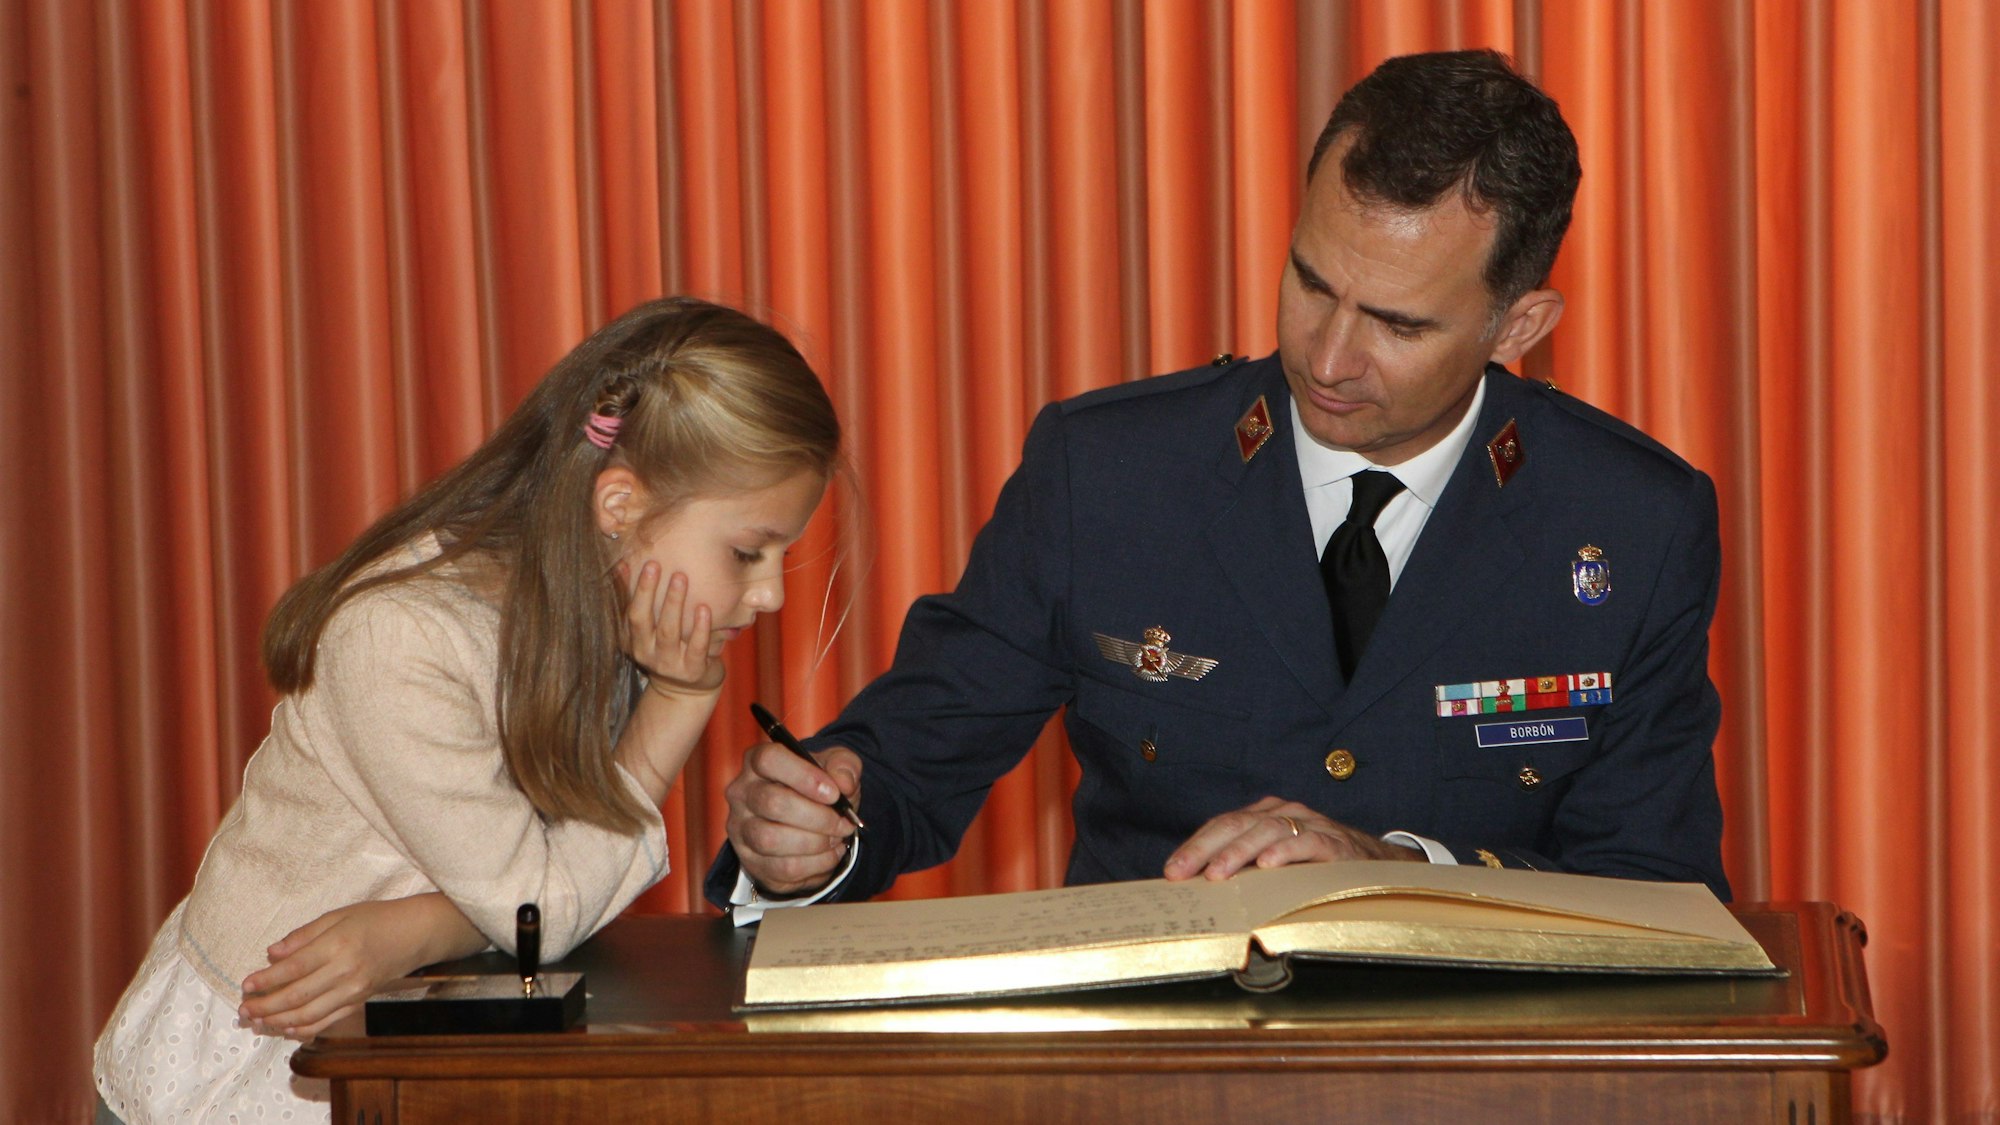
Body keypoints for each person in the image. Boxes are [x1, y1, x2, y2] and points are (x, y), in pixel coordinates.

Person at [706, 49, 1728, 921]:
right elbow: (905, 763)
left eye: (1397, 325)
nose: (1326, 359)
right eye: (1309, 282)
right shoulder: (1105, 474)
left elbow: (1654, 890)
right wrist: (807, 830)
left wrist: (1398, 877)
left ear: (1518, 327)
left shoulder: (1628, 525)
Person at [92, 297, 840, 1124]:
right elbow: (542, 909)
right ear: (618, 506)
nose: (770, 593)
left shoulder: (599, 612)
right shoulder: (401, 637)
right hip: (253, 1070)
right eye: (748, 551)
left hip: (412, 1034)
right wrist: (680, 700)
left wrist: (422, 929)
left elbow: (538, 889)